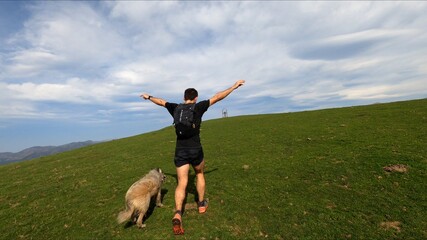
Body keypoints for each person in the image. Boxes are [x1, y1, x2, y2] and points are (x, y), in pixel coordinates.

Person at [140, 80, 245, 235]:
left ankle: (177, 213)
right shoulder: (199, 106)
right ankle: (201, 205)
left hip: (180, 151)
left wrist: (149, 97)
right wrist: (234, 87)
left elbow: (161, 102)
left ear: (184, 98)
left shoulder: (175, 107)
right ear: (195, 98)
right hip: (195, 149)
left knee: (182, 183)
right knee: (200, 173)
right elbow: (217, 97)